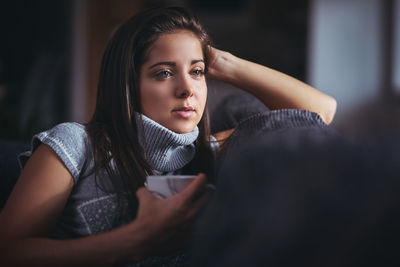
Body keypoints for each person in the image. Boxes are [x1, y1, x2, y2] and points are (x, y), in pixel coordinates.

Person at [0, 6, 336, 266]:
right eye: (163, 73)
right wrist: (135, 240)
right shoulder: (75, 145)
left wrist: (224, 62)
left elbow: (317, 114)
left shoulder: (216, 149)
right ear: (128, 85)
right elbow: (8, 252)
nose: (187, 89)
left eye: (197, 72)